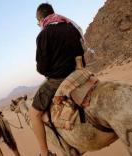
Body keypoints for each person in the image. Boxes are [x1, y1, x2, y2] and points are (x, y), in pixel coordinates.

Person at [29, 3, 85, 156]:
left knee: (33, 113)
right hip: (80, 74)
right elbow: (81, 50)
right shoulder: (71, 27)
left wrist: (48, 69)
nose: (38, 24)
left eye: (37, 22)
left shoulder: (44, 35)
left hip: (59, 79)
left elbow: (42, 68)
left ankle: (44, 152)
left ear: (41, 18)